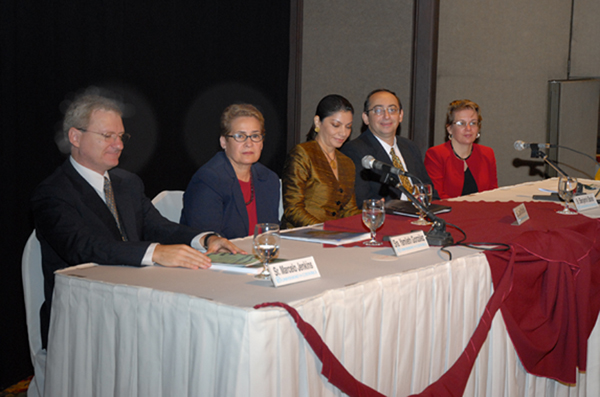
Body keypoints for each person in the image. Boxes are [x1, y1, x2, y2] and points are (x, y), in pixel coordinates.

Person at [31, 91, 243, 348]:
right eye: (107, 136)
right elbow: (84, 247)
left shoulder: (127, 183)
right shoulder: (53, 192)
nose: (118, 144)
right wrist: (155, 253)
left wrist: (205, 238)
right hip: (81, 319)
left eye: (121, 136)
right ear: (75, 137)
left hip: (134, 303)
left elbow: (157, 226)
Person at [180, 104, 280, 239]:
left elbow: (271, 235)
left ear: (262, 142)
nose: (249, 143)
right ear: (223, 142)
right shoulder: (208, 180)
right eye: (240, 136)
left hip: (259, 256)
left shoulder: (269, 179)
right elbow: (207, 240)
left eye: (255, 136)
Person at [341, 89, 435, 206]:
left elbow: (428, 191)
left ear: (400, 115)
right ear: (366, 118)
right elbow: (361, 202)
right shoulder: (355, 151)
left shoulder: (410, 147)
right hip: (388, 220)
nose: (387, 116)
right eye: (378, 110)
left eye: (392, 110)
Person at [281, 94, 361, 228]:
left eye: (348, 126)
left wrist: (372, 215)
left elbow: (349, 211)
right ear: (318, 122)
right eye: (336, 125)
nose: (343, 133)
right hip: (300, 237)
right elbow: (293, 210)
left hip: (332, 237)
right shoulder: (303, 154)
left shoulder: (347, 163)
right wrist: (326, 230)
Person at [424, 99, 498, 199]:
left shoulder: (487, 153)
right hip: (449, 213)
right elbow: (437, 196)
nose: (468, 128)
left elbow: (493, 193)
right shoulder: (435, 154)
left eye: (473, 123)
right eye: (461, 123)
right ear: (449, 129)